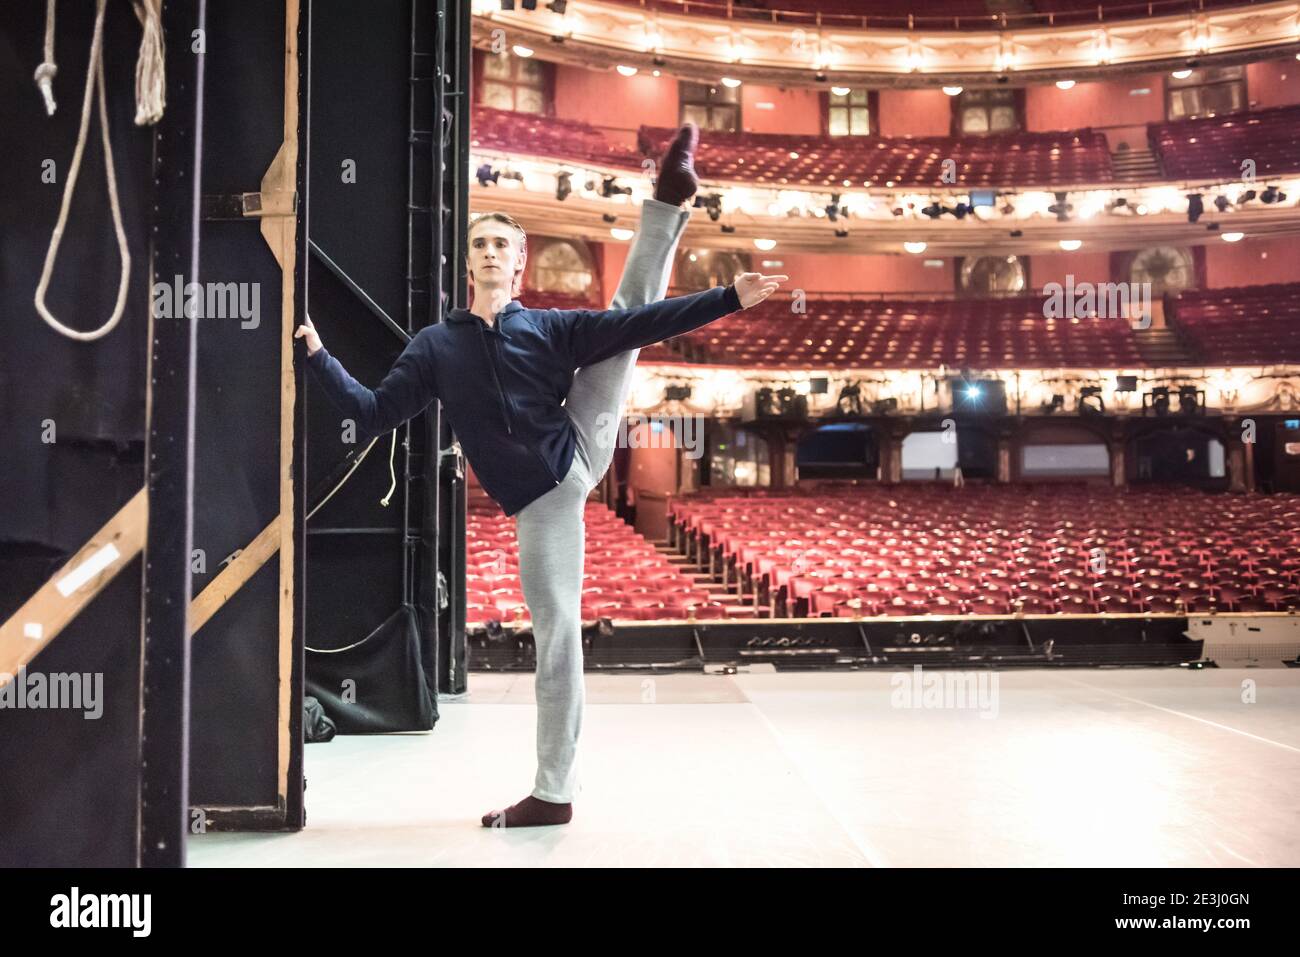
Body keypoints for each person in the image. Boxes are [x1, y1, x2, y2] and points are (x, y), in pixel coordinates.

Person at [297, 123, 787, 827]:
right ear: (468, 263)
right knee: (558, 630)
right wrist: (318, 355)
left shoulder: (548, 329)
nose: (492, 252)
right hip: (542, 500)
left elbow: (648, 318)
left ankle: (669, 201)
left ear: (520, 262)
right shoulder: (436, 347)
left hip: (574, 446)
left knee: (624, 327)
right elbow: (373, 414)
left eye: (503, 244)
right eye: (481, 244)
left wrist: (728, 298)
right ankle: (556, 795)